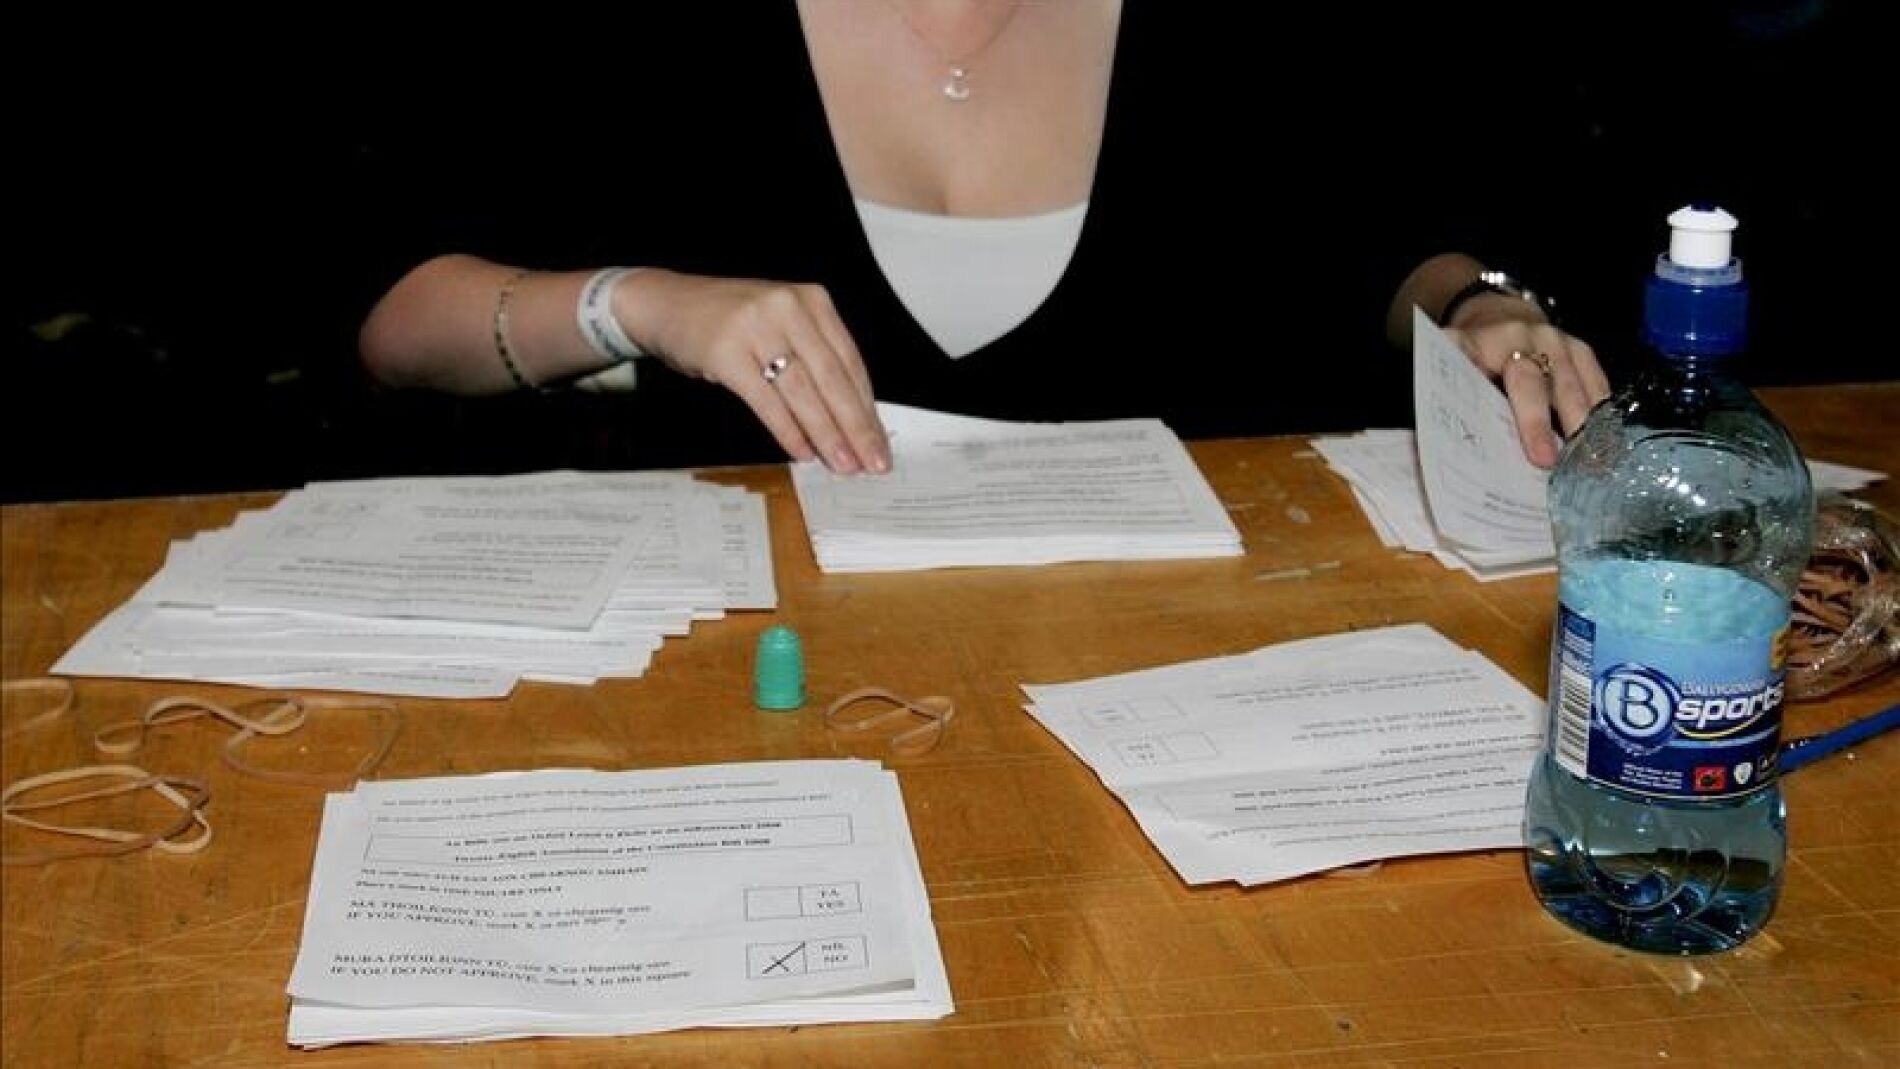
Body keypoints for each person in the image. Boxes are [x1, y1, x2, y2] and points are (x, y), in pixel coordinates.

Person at [357, 2, 1609, 475]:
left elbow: (1391, 252)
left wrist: (1482, 311)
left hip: (1175, 681)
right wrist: (640, 302)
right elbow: (401, 330)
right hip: (751, 698)